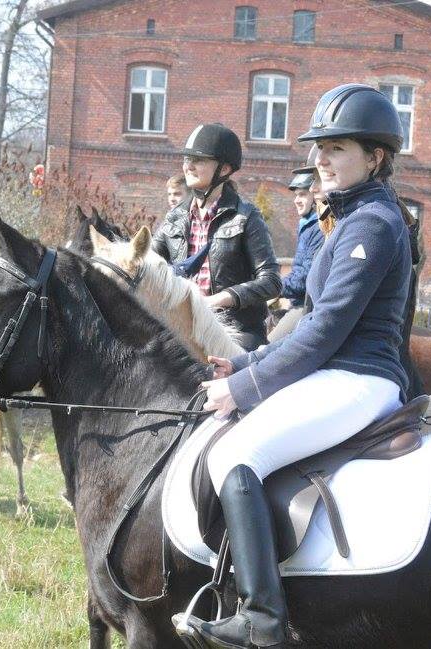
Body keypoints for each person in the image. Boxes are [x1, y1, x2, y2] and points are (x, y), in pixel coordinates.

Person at [177, 84, 412, 648]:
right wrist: (245, 363)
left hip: (359, 378)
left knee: (236, 456)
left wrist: (245, 389)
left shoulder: (372, 223)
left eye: (336, 148)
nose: (321, 159)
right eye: (319, 148)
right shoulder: (349, 217)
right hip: (340, 371)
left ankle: (262, 621)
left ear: (375, 157)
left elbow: (326, 331)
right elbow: (306, 327)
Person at [152, 123, 281, 351]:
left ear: (224, 169)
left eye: (198, 160)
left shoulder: (246, 216)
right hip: (183, 325)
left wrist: (220, 299)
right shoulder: (174, 217)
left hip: (236, 328)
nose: (188, 166)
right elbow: (147, 260)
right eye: (186, 159)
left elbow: (271, 281)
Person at [267, 149, 325, 343]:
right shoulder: (308, 225)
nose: (296, 200)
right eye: (296, 195)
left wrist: (274, 288)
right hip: (299, 301)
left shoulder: (319, 228)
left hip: (307, 305)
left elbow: (305, 276)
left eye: (302, 195)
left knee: (268, 346)